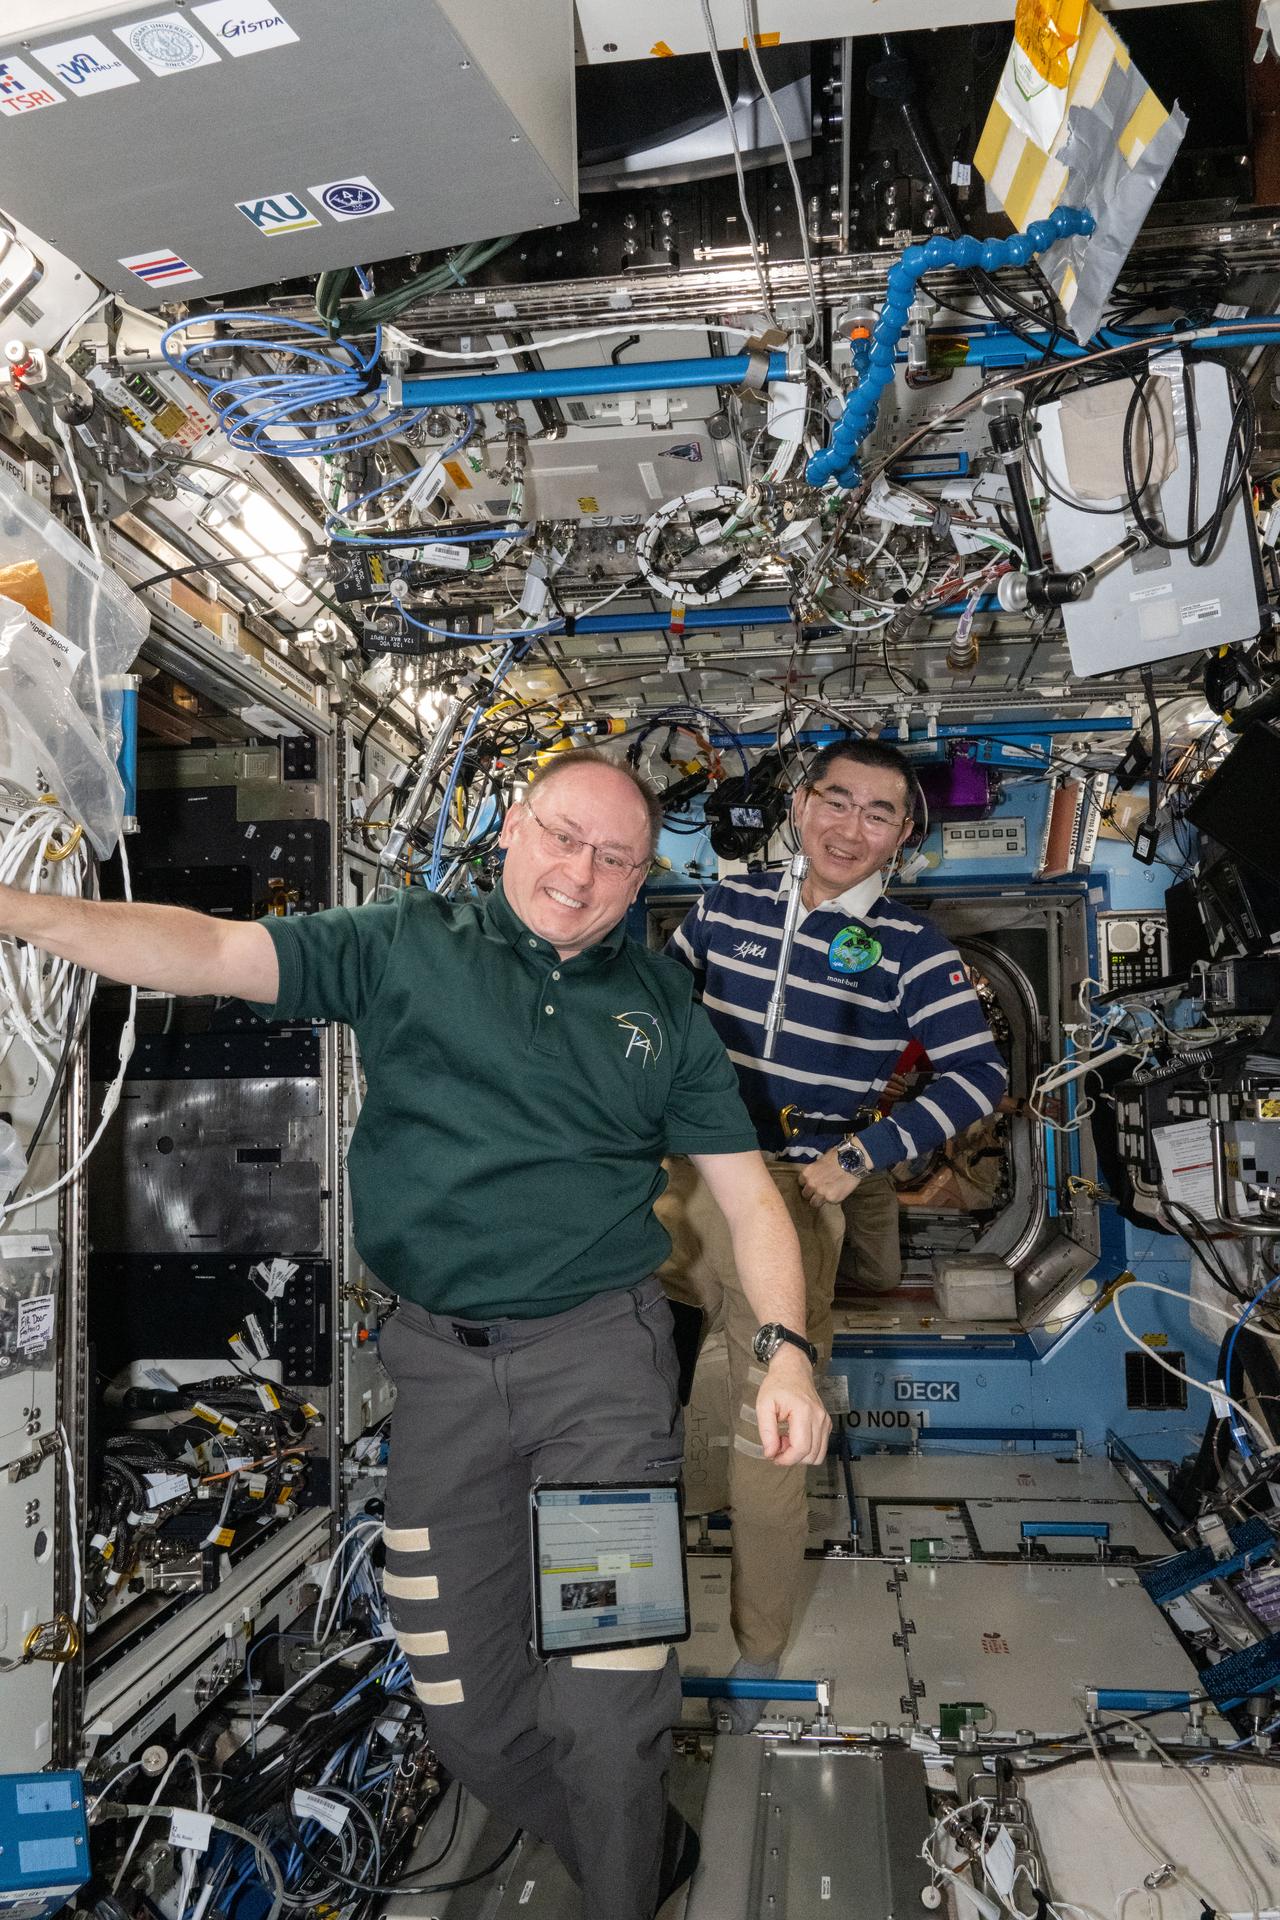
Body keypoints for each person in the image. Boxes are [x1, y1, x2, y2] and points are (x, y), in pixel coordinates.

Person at [0, 747, 829, 1920]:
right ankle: (641, 1850)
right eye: (561, 836)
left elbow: (751, 1202)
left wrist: (785, 1351)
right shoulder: (406, 942)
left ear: (642, 878)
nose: (578, 872)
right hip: (439, 1376)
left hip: (598, 1367)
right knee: (466, 1713)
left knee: (607, 1700)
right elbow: (212, 949)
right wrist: (19, 910)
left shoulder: (659, 1009)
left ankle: (624, 1880)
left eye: (613, 858)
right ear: (512, 829)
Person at [661, 737, 1006, 1706]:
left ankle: (759, 1640)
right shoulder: (724, 905)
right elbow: (652, 1016)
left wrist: (859, 1156)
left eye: (878, 813)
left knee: (768, 1407)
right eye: (835, 801)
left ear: (903, 836)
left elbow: (978, 1075)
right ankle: (646, 1576)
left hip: (793, 1188)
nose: (850, 828)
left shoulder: (911, 946)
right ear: (800, 805)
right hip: (683, 1171)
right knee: (651, 1378)